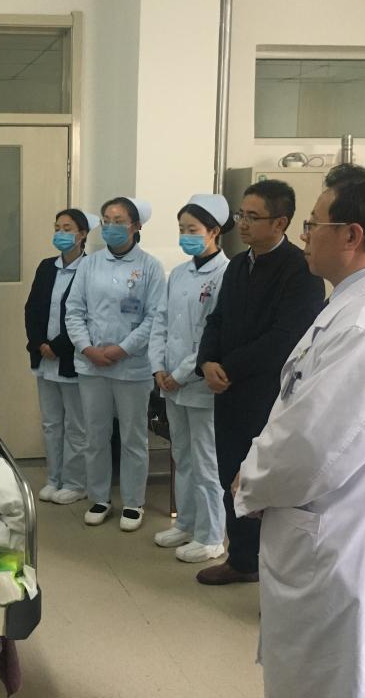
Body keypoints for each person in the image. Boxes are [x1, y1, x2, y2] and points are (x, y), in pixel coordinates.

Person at [233, 166, 365, 698]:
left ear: (351, 235)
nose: (305, 235)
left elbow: (311, 449)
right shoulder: (360, 303)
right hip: (340, 523)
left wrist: (252, 481)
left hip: (349, 536)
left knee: (348, 677)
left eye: (313, 223)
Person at [194, 179, 324, 584]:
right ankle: (242, 560)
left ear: (280, 222)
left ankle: (275, 573)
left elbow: (285, 338)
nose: (243, 224)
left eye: (253, 217)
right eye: (241, 215)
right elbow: (217, 319)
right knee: (229, 476)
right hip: (228, 393)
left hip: (269, 397)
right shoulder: (238, 264)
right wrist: (207, 361)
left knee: (264, 484)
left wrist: (228, 368)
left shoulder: (300, 270)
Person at [65, 197, 165, 532]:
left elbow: (154, 318)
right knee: (95, 435)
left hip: (132, 368)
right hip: (92, 365)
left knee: (133, 437)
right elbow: (74, 311)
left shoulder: (150, 267)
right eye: (106, 220)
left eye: (119, 221)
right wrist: (87, 348)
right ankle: (99, 497)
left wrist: (122, 349)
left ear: (136, 226)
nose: (110, 226)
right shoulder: (90, 264)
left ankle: (133, 502)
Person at [149, 194, 232, 563]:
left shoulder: (226, 274)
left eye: (192, 230)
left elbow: (212, 334)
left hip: (199, 385)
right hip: (170, 383)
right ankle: (186, 522)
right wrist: (158, 367)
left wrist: (181, 374)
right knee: (181, 455)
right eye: (182, 229)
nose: (185, 236)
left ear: (214, 231)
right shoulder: (179, 274)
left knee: (206, 461)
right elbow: (161, 322)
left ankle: (211, 536)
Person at [24, 208, 99, 505]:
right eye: (57, 227)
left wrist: (59, 346)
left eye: (67, 228)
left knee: (76, 426)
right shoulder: (46, 267)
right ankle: (54, 478)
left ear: (82, 234)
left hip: (72, 359)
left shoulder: (91, 268)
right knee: (51, 423)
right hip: (44, 358)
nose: (60, 233)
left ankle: (76, 482)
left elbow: (89, 316)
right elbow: (32, 309)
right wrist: (40, 343)